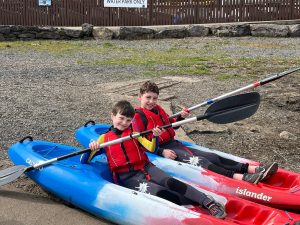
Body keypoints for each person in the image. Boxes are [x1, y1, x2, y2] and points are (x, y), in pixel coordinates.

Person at [80, 100, 227, 219]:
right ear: (112, 116)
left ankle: (206, 201)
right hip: (127, 177)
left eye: (128, 120)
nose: (124, 123)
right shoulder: (103, 139)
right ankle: (195, 206)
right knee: (160, 193)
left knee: (171, 182)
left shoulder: (135, 133)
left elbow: (151, 148)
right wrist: (91, 148)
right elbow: (84, 160)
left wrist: (155, 136)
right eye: (121, 118)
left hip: (146, 167)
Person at [132, 81, 278, 185]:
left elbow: (170, 127)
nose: (151, 101)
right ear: (140, 97)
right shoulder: (137, 116)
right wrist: (161, 151)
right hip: (160, 150)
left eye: (154, 98)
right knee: (202, 162)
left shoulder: (158, 110)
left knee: (211, 156)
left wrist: (179, 117)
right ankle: (242, 178)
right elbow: (141, 143)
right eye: (148, 98)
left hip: (174, 143)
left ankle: (255, 169)